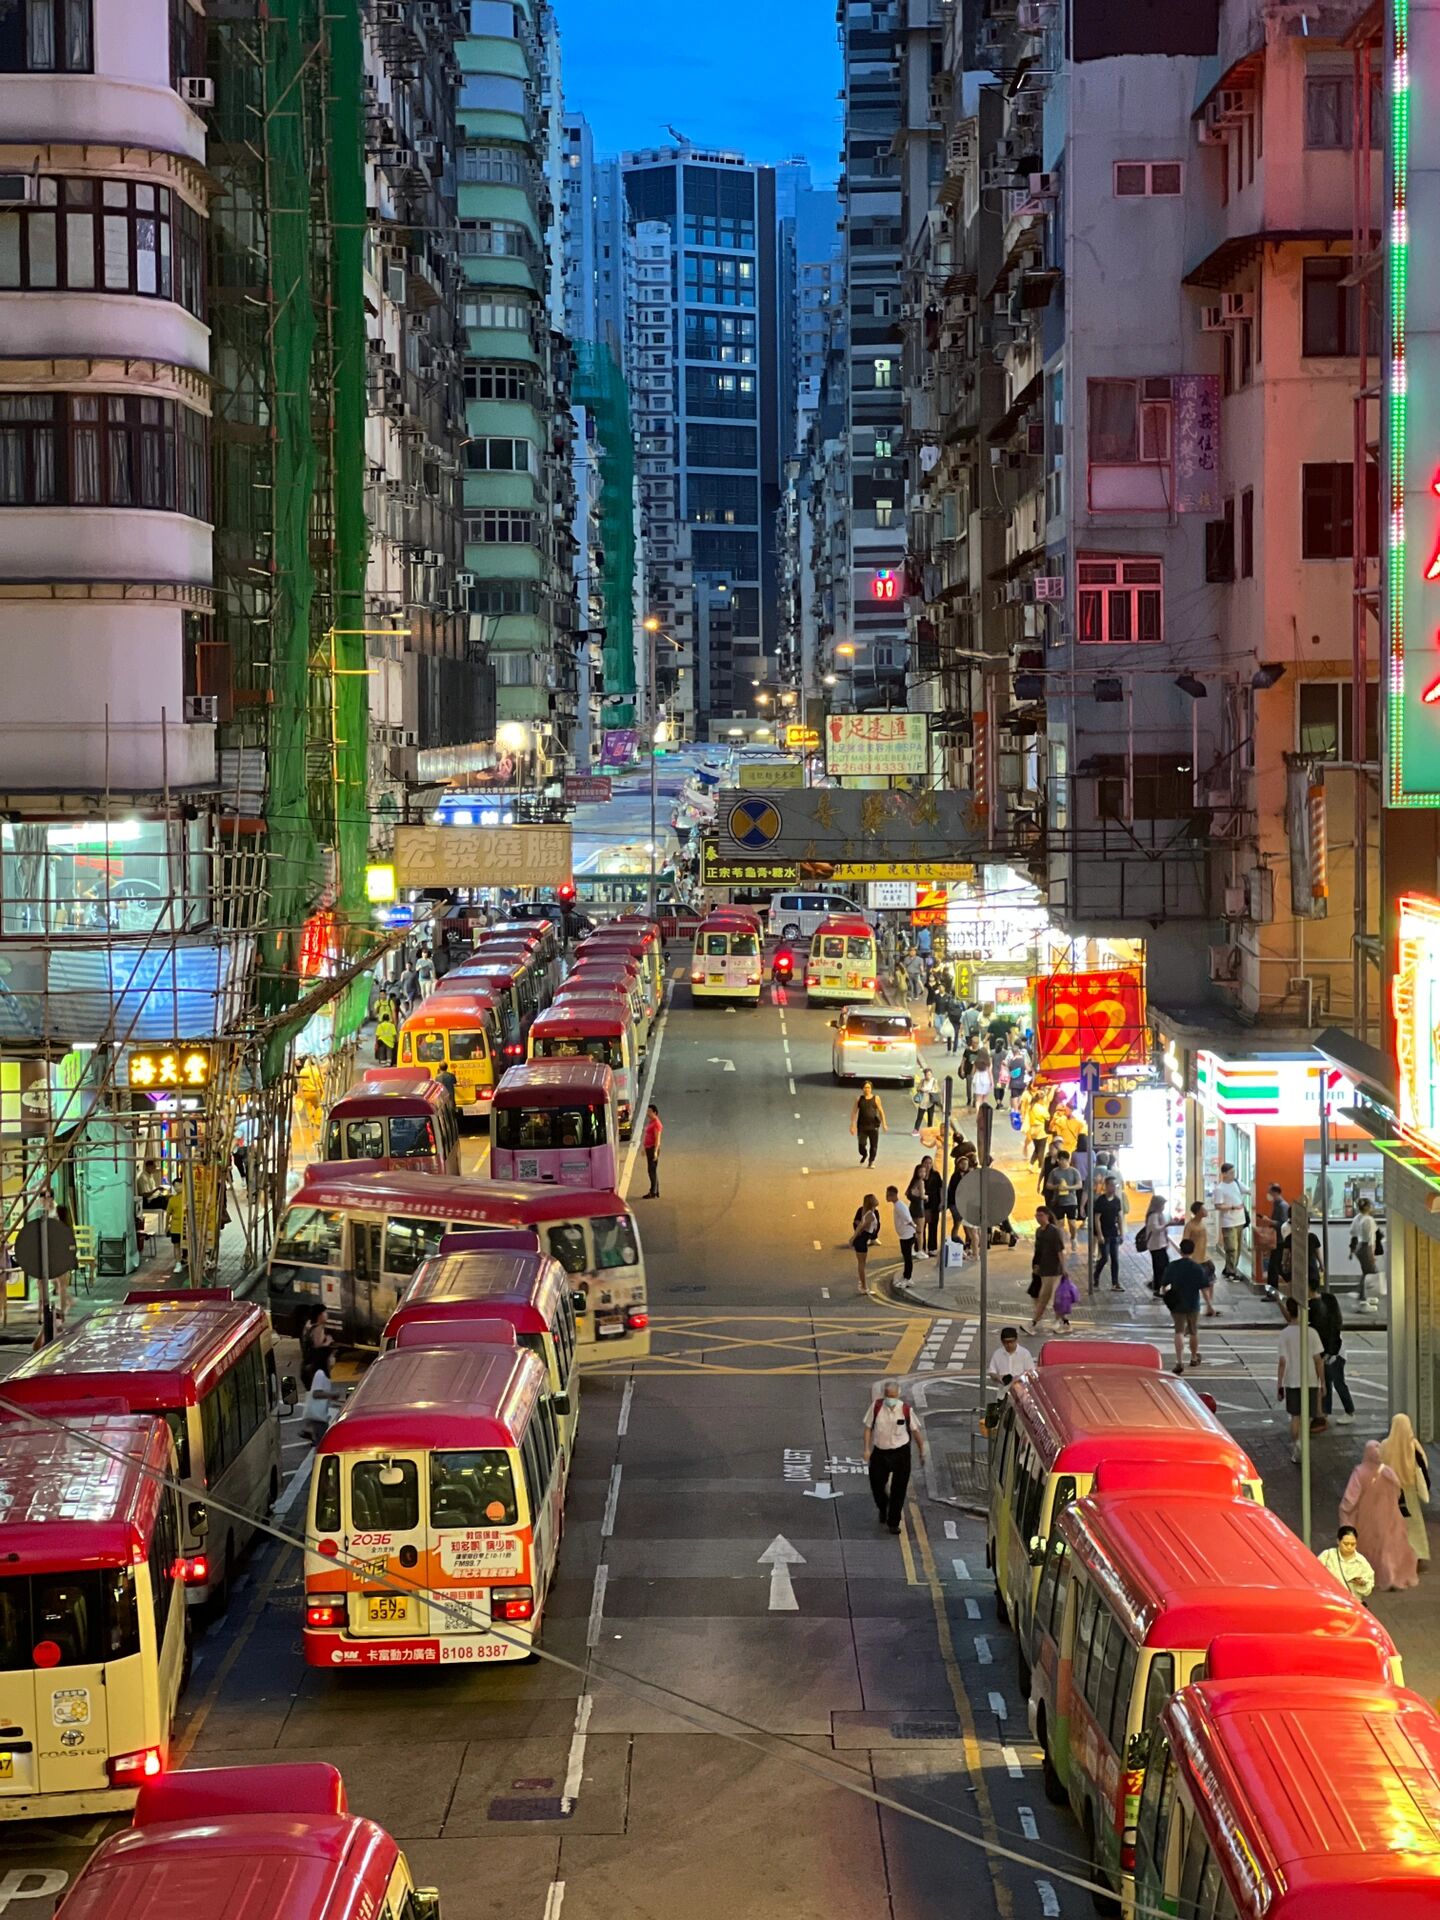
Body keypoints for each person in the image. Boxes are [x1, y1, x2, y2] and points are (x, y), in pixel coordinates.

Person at [1340, 1441, 1419, 1591]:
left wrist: (1345, 1512)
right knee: (1389, 1545)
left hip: (1367, 1516)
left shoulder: (1360, 1472)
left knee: (1369, 1545)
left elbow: (1350, 1499)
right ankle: (1391, 1576)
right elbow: (1398, 1491)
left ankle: (1372, 1576)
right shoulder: (1388, 1472)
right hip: (1390, 1515)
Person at [863, 1380, 925, 1534]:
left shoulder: (905, 1410)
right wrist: (866, 1449)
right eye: (888, 1396)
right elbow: (868, 1428)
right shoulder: (876, 1407)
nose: (890, 1399)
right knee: (876, 1485)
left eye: (893, 1396)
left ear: (898, 1395)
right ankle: (883, 1507)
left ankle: (893, 1522)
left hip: (901, 1453)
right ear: (884, 1395)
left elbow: (916, 1431)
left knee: (899, 1489)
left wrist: (921, 1450)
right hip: (880, 1452)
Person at [1277, 1295, 1326, 1464]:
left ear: (1289, 1313)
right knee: (1308, 1416)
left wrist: (1279, 1384)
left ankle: (1296, 1446)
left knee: (1295, 1416)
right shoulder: (1311, 1333)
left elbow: (1282, 1362)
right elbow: (1318, 1360)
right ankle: (1301, 1443)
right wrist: (1323, 1383)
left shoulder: (1284, 1334)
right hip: (1310, 1380)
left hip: (1291, 1380)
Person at [1379, 1412, 1431, 1568]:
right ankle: (1418, 1556)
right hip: (1409, 1491)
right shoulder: (1413, 1444)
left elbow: (1379, 1467)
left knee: (1392, 1524)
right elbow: (1423, 1464)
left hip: (1391, 1491)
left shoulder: (1385, 1445)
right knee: (1414, 1525)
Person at [1308, 1271, 1355, 1425]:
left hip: (1335, 1351)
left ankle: (1349, 1411)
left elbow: (1334, 1328)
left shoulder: (1321, 1304)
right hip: (1327, 1351)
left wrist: (1330, 1353)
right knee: (1326, 1382)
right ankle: (1325, 1412)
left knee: (1337, 1381)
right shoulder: (1315, 1304)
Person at [1162, 1238, 1207, 1374]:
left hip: (1177, 1303)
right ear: (1192, 1251)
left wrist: (1167, 1298)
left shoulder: (1173, 1266)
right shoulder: (1197, 1268)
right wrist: (1210, 1305)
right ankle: (1193, 1357)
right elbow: (1204, 1288)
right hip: (1193, 1303)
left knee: (1179, 1331)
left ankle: (1179, 1361)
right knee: (1193, 1331)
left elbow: (1164, 1286)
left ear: (1180, 1250)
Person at [1031, 1206, 1067, 1333]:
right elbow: (1038, 1251)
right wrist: (1036, 1265)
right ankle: (1064, 1321)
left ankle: (1034, 1323)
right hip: (1043, 1270)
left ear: (1047, 1216)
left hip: (1054, 1270)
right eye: (1037, 1215)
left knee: (1045, 1298)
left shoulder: (1054, 1231)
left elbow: (1060, 1251)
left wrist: (1064, 1269)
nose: (1038, 1218)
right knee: (1046, 1297)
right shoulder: (1039, 1231)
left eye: (1040, 1215)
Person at [1318, 1525, 1376, 1603]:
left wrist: (1362, 1583)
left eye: (1353, 1544)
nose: (1349, 1547)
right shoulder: (1327, 1556)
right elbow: (1314, 1574)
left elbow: (1368, 1589)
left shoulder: (1361, 1562)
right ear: (1338, 1541)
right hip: (1329, 1601)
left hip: (1351, 1604)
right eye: (1346, 1543)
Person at [1211, 1162, 1247, 1280]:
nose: (1233, 1175)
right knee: (1232, 1248)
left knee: (1238, 1247)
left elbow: (1248, 1190)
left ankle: (1229, 1268)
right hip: (1228, 1222)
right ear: (1224, 1174)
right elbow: (1218, 1206)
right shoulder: (1219, 1188)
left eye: (1234, 1172)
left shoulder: (1236, 1183)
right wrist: (1232, 1207)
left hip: (1240, 1220)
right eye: (1231, 1173)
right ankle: (1232, 1272)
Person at [1044, 1149, 1082, 1250]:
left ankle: (1073, 1238)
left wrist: (1068, 1188)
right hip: (1058, 1201)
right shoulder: (1054, 1172)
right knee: (1059, 1224)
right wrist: (1057, 1187)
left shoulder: (1074, 1171)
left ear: (1068, 1160)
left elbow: (1079, 1185)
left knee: (1072, 1223)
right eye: (1059, 1160)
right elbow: (1048, 1185)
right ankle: (1060, 1243)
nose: (1061, 1162)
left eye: (1063, 1160)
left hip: (1071, 1201)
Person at [1185, 1201, 1219, 1315]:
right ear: (1198, 1212)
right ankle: (1209, 1306)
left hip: (1206, 1257)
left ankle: (1210, 1306)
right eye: (1203, 1209)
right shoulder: (1190, 1226)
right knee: (1203, 1284)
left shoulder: (1202, 1224)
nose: (1206, 1211)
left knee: (1211, 1282)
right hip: (1196, 1259)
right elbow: (1185, 1242)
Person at [1093, 1176, 1125, 1290]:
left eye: (1115, 1186)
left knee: (1115, 1258)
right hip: (1104, 1232)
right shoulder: (1101, 1201)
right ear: (1106, 1186)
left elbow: (1120, 1217)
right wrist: (1099, 1234)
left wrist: (1121, 1233)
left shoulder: (1117, 1201)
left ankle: (1115, 1283)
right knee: (1105, 1257)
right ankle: (1096, 1276)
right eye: (1111, 1185)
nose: (1114, 1188)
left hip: (1113, 1232)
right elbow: (1097, 1218)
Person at [1260, 1182, 1292, 1295]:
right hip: (1276, 1240)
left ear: (1275, 1192)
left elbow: (1283, 1224)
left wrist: (1269, 1221)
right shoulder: (1277, 1204)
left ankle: (1272, 1293)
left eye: (1270, 1192)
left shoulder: (1283, 1206)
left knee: (1274, 1268)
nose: (1268, 1195)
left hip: (1281, 1241)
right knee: (1276, 1267)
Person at [300, 1365, 342, 1444]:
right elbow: (316, 1393)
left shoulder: (323, 1374)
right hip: (319, 1416)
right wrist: (332, 1394)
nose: (333, 1359)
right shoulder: (320, 1373)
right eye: (332, 1355)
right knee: (323, 1442)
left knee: (321, 1441)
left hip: (322, 1414)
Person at [1349, 1197, 1380, 1304]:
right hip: (1366, 1247)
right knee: (1371, 1272)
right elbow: (1371, 1239)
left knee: (1366, 1272)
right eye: (1370, 1205)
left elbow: (1353, 1233)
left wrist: (1352, 1250)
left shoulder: (1357, 1218)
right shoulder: (1369, 1220)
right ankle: (1362, 1296)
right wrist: (1372, 1255)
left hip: (1359, 1247)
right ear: (1367, 1207)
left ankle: (1363, 1294)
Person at [1140, 1195, 1171, 1296]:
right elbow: (1155, 1229)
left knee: (1164, 1265)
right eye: (1162, 1204)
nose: (1163, 1207)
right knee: (1159, 1267)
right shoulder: (1153, 1215)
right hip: (1155, 1245)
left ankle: (1157, 1285)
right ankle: (1157, 1288)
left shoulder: (1159, 1214)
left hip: (1161, 1244)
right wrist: (1166, 1225)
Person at [851, 1082, 887, 1168]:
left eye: (868, 1087)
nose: (867, 1089)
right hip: (862, 1126)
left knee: (874, 1146)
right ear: (862, 1089)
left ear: (871, 1089)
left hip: (873, 1126)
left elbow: (881, 1111)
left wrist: (884, 1124)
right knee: (861, 1145)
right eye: (865, 1087)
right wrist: (852, 1124)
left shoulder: (876, 1098)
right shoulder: (859, 1099)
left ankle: (871, 1161)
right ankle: (864, 1154)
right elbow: (854, 1112)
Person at [851, 1192, 881, 1295]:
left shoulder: (869, 1212)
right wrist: (853, 1238)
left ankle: (863, 1285)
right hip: (861, 1240)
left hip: (863, 1240)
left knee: (862, 1264)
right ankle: (863, 1286)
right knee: (862, 1264)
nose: (877, 1200)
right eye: (874, 1199)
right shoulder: (870, 1215)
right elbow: (861, 1227)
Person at [298, 1305, 335, 1388]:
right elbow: (317, 1345)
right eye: (325, 1313)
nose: (327, 1315)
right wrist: (328, 1342)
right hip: (316, 1370)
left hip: (307, 1368)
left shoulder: (308, 1325)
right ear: (320, 1315)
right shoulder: (318, 1329)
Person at [887, 1184, 918, 1281]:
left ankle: (907, 1278)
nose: (886, 1197)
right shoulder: (898, 1205)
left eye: (888, 1195)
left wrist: (915, 1228)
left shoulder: (899, 1207)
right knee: (906, 1256)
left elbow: (908, 1219)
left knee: (907, 1257)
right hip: (905, 1235)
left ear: (893, 1195)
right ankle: (906, 1275)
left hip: (906, 1236)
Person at [919, 1155, 943, 1256]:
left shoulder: (936, 1174)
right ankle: (922, 1247)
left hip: (934, 1203)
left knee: (933, 1226)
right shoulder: (919, 1174)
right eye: (926, 1163)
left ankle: (932, 1248)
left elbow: (940, 1188)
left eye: (930, 1163)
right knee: (921, 1227)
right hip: (922, 1205)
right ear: (922, 1163)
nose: (928, 1165)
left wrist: (942, 1202)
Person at [641, 1103, 663, 1198]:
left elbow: (657, 1139)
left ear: (655, 1112)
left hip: (652, 1149)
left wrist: (655, 1151)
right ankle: (655, 1191)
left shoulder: (656, 1124)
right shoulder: (652, 1122)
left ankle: (653, 1192)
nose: (648, 1113)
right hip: (649, 1148)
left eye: (650, 1111)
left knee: (651, 1171)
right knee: (652, 1170)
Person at [912, 1066, 939, 1134]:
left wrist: (930, 1090)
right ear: (924, 1075)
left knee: (930, 1117)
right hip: (923, 1102)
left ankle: (929, 1130)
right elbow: (918, 1088)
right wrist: (921, 1089)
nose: (928, 1076)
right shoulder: (922, 1081)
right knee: (919, 1116)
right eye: (927, 1075)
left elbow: (936, 1089)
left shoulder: (934, 1081)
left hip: (930, 1102)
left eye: (929, 1074)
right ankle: (916, 1129)